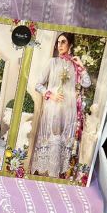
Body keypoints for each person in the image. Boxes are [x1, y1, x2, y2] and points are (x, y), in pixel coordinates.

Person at [29, 33, 91, 179]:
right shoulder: (52, 62)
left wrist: (81, 66)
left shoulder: (75, 65)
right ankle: (47, 173)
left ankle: (57, 175)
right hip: (53, 108)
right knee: (53, 139)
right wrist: (51, 95)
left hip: (69, 111)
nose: (60, 45)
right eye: (58, 42)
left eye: (63, 42)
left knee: (63, 142)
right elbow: (38, 85)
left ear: (70, 45)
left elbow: (87, 83)